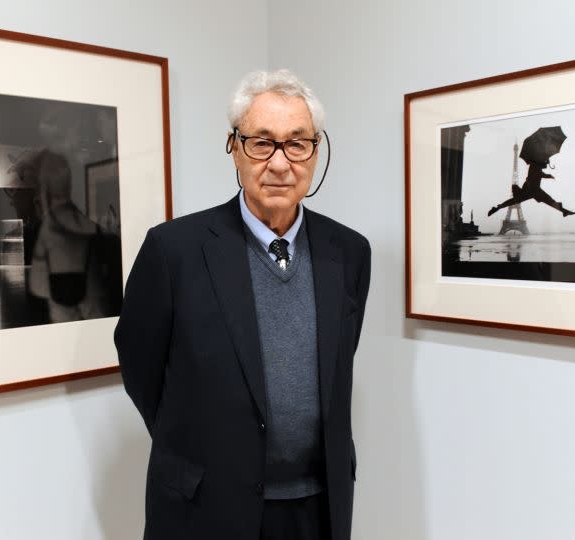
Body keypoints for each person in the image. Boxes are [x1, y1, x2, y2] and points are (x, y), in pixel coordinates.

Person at [114, 70, 371, 540]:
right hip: (206, 503)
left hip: (317, 507)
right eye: (261, 142)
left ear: (316, 151)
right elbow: (142, 370)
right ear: (234, 146)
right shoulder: (174, 251)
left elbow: (337, 366)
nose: (279, 163)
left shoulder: (349, 252)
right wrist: (203, 447)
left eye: (298, 143)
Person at [28, 150, 105, 322]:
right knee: (94, 318)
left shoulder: (49, 223)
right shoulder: (78, 217)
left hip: (58, 288)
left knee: (64, 323)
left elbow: (39, 279)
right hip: (86, 282)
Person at [488, 163, 575, 217]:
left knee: (514, 201)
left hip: (529, 189)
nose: (545, 164)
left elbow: (538, 173)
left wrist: (547, 172)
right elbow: (539, 173)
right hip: (534, 190)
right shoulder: (536, 166)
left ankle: (498, 207)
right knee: (549, 201)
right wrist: (549, 175)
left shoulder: (534, 165)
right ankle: (564, 211)